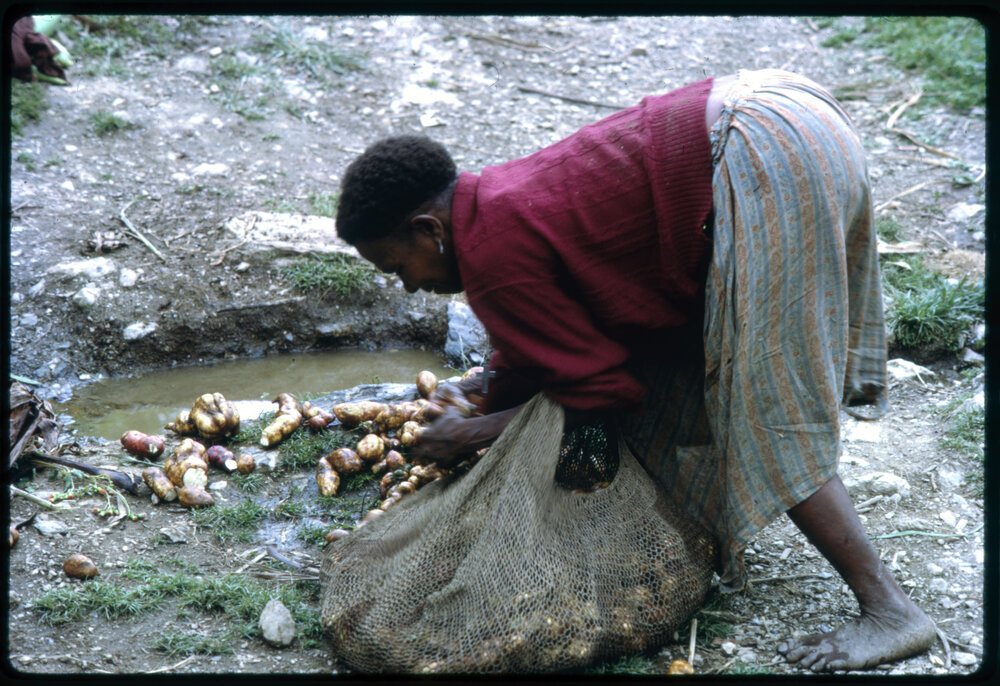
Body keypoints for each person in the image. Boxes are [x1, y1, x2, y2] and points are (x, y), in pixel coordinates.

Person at [334, 69, 937, 672]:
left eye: (397, 267)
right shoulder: (492, 202)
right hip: (787, 110)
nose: (410, 285)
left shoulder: (489, 254)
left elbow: (601, 392)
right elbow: (547, 344)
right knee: (698, 370)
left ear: (428, 230)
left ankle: (889, 610)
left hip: (762, 151)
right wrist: (483, 396)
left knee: (766, 398)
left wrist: (472, 436)